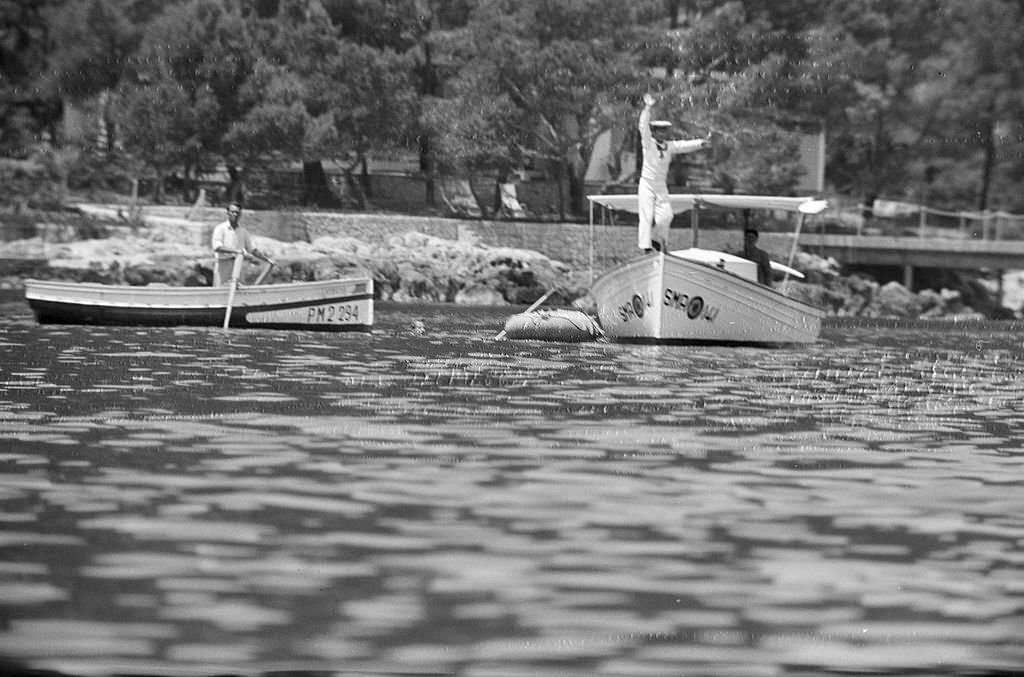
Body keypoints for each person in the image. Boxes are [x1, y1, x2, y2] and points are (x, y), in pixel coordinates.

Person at [637, 93, 710, 252]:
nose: (663, 134)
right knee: (647, 215)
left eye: (664, 131)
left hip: (660, 185)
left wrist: (701, 143)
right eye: (659, 131)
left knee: (667, 216)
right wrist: (647, 108)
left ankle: (658, 240)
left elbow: (684, 145)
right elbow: (643, 126)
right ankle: (645, 246)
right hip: (647, 183)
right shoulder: (648, 143)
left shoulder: (669, 146)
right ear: (654, 132)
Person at [211, 203, 273, 286]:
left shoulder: (243, 232)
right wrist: (237, 251)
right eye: (233, 212)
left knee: (238, 292)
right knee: (219, 292)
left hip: (237, 266)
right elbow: (217, 247)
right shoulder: (220, 228)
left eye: (237, 212)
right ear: (227, 213)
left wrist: (267, 259)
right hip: (223, 266)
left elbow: (252, 249)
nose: (235, 214)